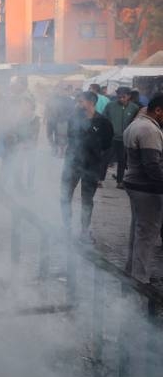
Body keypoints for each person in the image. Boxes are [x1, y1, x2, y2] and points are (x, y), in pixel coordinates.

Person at [61, 91, 114, 239]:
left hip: (91, 166)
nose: (78, 104)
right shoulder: (73, 118)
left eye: (81, 102)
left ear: (91, 102)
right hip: (72, 164)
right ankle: (66, 226)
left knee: (87, 200)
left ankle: (84, 230)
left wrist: (99, 164)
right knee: (65, 195)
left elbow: (107, 145)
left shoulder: (103, 122)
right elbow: (70, 138)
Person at [122, 95, 163, 283]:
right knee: (147, 234)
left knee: (137, 231)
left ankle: (131, 271)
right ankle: (140, 279)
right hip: (146, 189)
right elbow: (152, 166)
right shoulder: (148, 129)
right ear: (158, 110)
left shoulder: (136, 124)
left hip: (134, 185)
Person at [104, 87, 140, 186]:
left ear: (129, 96)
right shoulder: (110, 106)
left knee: (122, 161)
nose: (121, 99)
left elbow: (136, 122)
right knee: (105, 159)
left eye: (123, 97)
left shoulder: (134, 108)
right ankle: (99, 179)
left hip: (124, 139)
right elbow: (104, 119)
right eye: (119, 97)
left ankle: (120, 182)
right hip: (111, 138)